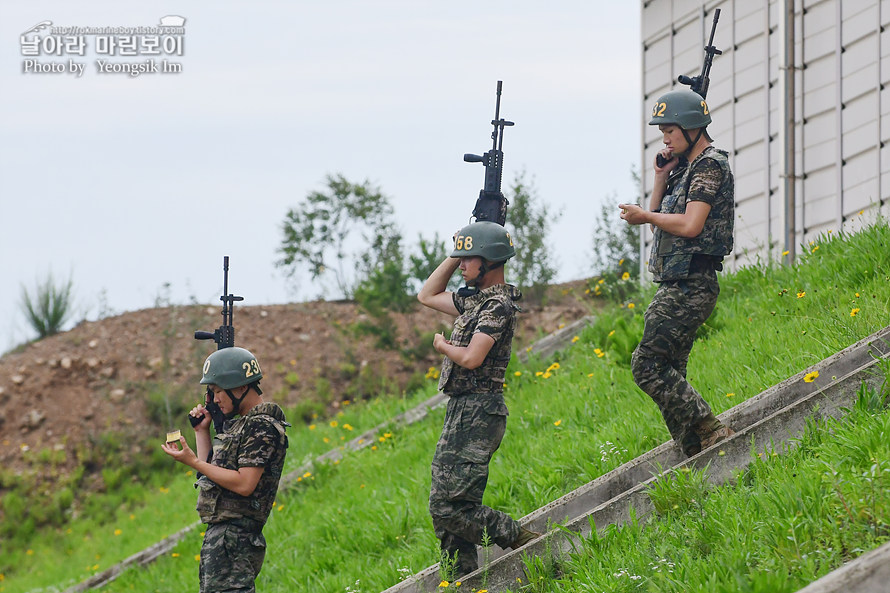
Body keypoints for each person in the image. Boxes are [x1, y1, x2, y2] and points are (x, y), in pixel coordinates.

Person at [417, 220, 539, 577]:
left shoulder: (497, 307)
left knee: (449, 508)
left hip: (480, 411)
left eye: (468, 258)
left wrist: (443, 345)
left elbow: (472, 357)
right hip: (461, 409)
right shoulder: (474, 302)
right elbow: (426, 295)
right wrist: (456, 252)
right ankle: (462, 579)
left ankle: (518, 536)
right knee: (446, 506)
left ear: (489, 259)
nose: (462, 265)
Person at [619, 88, 735, 457]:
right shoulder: (685, 170)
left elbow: (690, 226)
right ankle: (693, 448)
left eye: (670, 130)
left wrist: (646, 214)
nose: (665, 138)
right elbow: (658, 227)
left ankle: (709, 428)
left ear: (690, 127)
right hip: (677, 280)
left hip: (692, 282)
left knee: (647, 364)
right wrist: (660, 176)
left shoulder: (709, 166)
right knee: (670, 369)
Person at [162, 346, 289, 593]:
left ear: (241, 387)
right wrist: (202, 431)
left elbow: (244, 484)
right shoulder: (241, 426)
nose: (215, 399)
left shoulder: (261, 426)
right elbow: (212, 476)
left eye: (219, 391)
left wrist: (193, 462)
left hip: (236, 540)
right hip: (223, 539)